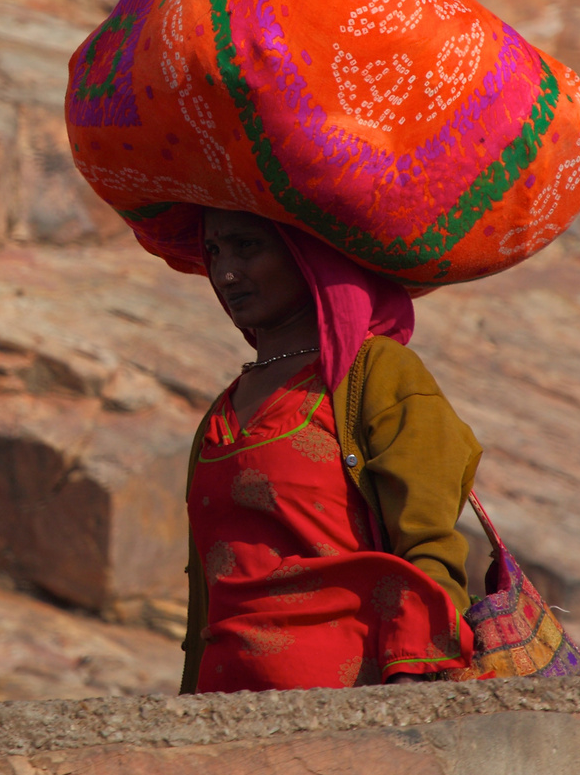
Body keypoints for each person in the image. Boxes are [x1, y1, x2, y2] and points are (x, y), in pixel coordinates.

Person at [180, 209, 481, 693]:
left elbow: (428, 546)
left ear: (309, 253)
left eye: (248, 247)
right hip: (224, 707)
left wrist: (413, 688)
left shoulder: (377, 373)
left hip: (351, 704)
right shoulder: (221, 412)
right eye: (214, 251)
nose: (226, 272)